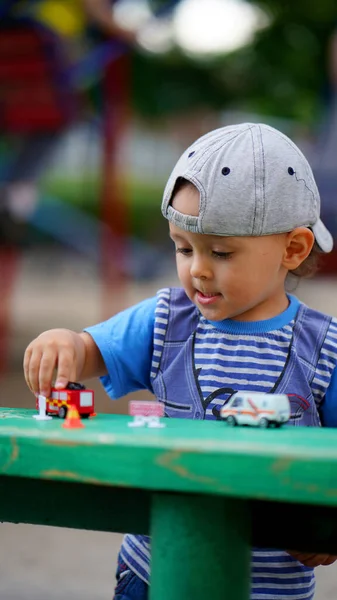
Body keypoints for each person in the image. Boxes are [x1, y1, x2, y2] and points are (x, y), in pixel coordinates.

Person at [24, 122, 337, 600]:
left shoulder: (323, 348)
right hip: (156, 573)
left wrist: (326, 523)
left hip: (271, 588)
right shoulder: (168, 319)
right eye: (183, 247)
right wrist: (63, 344)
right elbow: (89, 351)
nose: (198, 269)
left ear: (292, 249)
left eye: (222, 252)